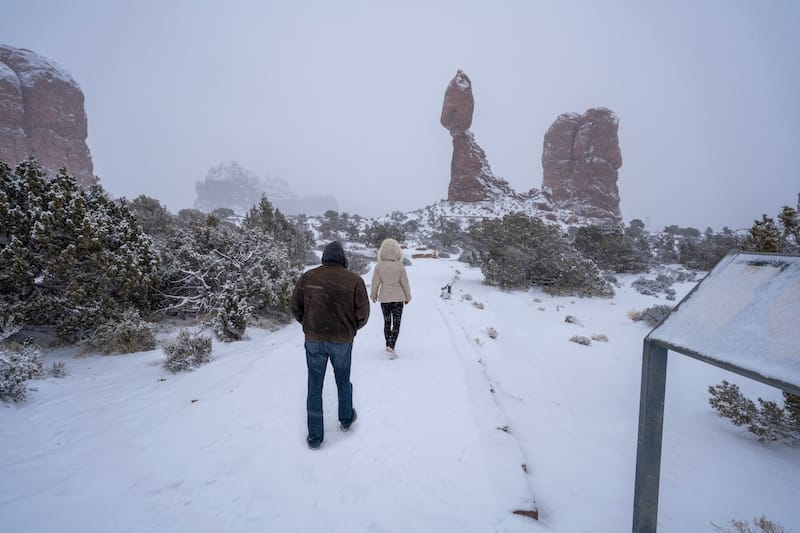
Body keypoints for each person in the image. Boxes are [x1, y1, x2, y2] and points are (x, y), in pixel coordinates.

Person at [291, 241, 370, 450]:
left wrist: (309, 325)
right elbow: (363, 315)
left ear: (324, 258)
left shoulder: (308, 278)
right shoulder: (354, 280)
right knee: (343, 381)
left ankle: (315, 436)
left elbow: (295, 308)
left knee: (314, 387)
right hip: (342, 341)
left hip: (314, 341)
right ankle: (345, 418)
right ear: (343, 259)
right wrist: (350, 328)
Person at [370, 238, 412, 359]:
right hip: (398, 298)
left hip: (385, 298)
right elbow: (405, 283)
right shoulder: (400, 266)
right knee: (397, 323)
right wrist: (407, 296)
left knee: (387, 322)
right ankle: (391, 346)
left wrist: (373, 295)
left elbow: (375, 283)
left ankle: (388, 344)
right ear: (397, 251)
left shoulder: (379, 266)